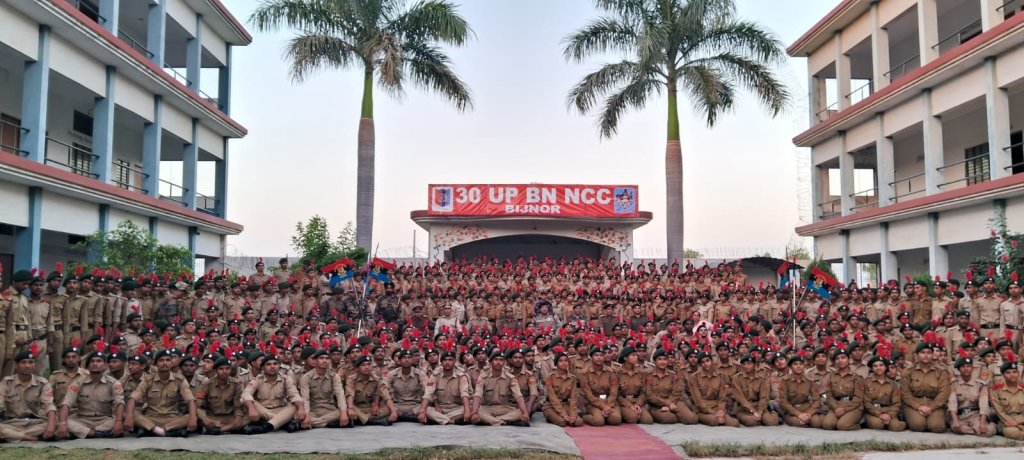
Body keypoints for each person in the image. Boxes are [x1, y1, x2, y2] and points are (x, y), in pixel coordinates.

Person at [125, 349, 196, 437]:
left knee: (191, 416)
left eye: (168, 360)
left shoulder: (179, 380)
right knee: (131, 413)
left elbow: (190, 400)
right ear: (155, 364)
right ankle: (165, 431)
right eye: (161, 360)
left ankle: (156, 430)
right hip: (151, 418)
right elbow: (132, 399)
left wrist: (193, 418)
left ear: (171, 363)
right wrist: (129, 417)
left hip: (172, 418)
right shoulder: (148, 379)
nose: (165, 363)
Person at [58, 351, 125, 439]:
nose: (95, 364)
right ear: (87, 366)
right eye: (92, 361)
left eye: (99, 361)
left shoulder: (113, 383)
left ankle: (83, 433)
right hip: (82, 420)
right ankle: (95, 433)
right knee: (61, 422)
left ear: (105, 366)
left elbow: (119, 403)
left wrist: (119, 421)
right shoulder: (78, 383)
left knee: (122, 420)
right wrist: (63, 423)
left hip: (105, 420)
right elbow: (66, 403)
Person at [240, 350, 304, 434]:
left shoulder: (286, 379)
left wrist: (301, 408)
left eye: (275, 364)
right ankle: (282, 422)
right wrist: (251, 408)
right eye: (268, 364)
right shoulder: (257, 380)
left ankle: (267, 426)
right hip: (263, 411)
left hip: (280, 409)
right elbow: (246, 393)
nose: (272, 366)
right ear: (263, 368)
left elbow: (294, 394)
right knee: (251, 402)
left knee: (295, 406)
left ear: (279, 366)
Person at [0, 347, 56, 441]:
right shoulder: (7, 382)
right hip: (13, 423)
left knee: (56, 424)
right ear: (16, 365)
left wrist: (51, 425)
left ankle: (13, 436)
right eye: (23, 362)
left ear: (34, 365)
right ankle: (29, 438)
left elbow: (49, 405)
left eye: (30, 362)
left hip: (36, 423)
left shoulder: (42, 383)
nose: (27, 366)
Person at [471, 351, 530, 426]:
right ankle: (504, 421)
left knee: (520, 412)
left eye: (501, 360)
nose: (498, 362)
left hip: (505, 408)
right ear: (491, 362)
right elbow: (477, 395)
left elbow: (518, 396)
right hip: (488, 408)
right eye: (496, 359)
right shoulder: (483, 376)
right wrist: (474, 413)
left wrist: (525, 413)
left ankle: (494, 421)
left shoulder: (510, 377)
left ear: (504, 362)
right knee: (478, 412)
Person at [902, 342, 950, 433]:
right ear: (917, 355)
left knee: (937, 427)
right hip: (914, 404)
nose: (926, 355)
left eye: (929, 352)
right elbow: (905, 393)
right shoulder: (909, 371)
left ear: (932, 354)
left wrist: (931, 408)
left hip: (934, 404)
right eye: (922, 352)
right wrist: (918, 407)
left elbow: (944, 392)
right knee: (918, 426)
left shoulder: (940, 371)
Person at [298, 350, 349, 429]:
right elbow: (305, 399)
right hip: (313, 410)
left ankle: (314, 423)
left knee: (346, 412)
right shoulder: (306, 377)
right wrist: (307, 415)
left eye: (327, 358)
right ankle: (328, 424)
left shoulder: (334, 376)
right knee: (298, 416)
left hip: (330, 410)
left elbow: (340, 395)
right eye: (321, 358)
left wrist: (343, 412)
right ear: (315, 361)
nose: (324, 361)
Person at [194, 357, 244, 435]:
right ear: (215, 370)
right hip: (212, 417)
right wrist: (204, 418)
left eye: (227, 368)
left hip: (230, 417)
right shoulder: (206, 384)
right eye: (221, 369)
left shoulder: (236, 384)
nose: (224, 371)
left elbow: (238, 406)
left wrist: (238, 418)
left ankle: (219, 430)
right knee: (193, 416)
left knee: (250, 415)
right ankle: (229, 428)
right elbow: (197, 405)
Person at [690, 351, 739, 427]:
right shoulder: (694, 377)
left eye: (707, 361)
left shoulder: (719, 376)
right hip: (701, 409)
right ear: (700, 364)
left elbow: (722, 398)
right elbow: (698, 401)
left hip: (716, 407)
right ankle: (703, 418)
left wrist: (721, 410)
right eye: (703, 362)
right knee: (715, 420)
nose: (706, 364)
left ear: (712, 361)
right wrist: (714, 413)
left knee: (734, 423)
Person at [423, 351, 472, 425]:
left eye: (450, 360)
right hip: (441, 408)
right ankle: (451, 421)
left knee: (469, 408)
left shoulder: (461, 375)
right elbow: (428, 393)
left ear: (455, 361)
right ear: (441, 362)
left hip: (457, 408)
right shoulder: (435, 375)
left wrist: (467, 411)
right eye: (445, 360)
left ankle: (439, 419)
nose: (447, 362)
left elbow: (464, 393)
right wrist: (422, 410)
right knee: (425, 409)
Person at [346, 354, 397, 426]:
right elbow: (350, 394)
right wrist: (351, 409)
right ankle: (372, 421)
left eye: (369, 364)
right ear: (357, 368)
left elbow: (386, 396)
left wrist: (393, 411)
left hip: (370, 408)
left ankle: (360, 420)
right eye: (363, 365)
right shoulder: (351, 379)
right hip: (356, 407)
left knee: (389, 408)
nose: (366, 367)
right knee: (347, 407)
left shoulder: (377, 380)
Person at [948, 354, 992, 437]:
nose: (966, 369)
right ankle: (974, 430)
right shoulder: (953, 384)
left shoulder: (980, 384)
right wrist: (955, 421)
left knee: (985, 432)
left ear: (972, 368)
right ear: (958, 369)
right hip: (960, 416)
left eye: (968, 366)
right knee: (958, 429)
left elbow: (984, 404)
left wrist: (982, 422)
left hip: (975, 415)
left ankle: (990, 426)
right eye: (963, 367)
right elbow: (952, 403)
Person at [731, 353, 779, 427]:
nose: (746, 366)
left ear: (754, 364)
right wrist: (752, 411)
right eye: (744, 364)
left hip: (758, 406)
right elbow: (741, 398)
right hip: (743, 408)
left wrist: (760, 412)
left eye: (749, 363)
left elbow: (764, 397)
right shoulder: (737, 378)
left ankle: (773, 413)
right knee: (752, 422)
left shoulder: (761, 378)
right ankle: (756, 419)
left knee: (771, 422)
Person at [821, 348, 863, 431]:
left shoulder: (856, 377)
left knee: (842, 426)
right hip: (837, 405)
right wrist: (836, 408)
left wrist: (845, 409)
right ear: (834, 362)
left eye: (843, 358)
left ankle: (858, 425)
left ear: (849, 359)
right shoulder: (831, 376)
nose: (840, 360)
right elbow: (828, 395)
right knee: (827, 425)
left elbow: (858, 398)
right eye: (837, 359)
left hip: (853, 406)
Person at [862, 356, 906, 431]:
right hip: (873, 412)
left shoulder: (893, 384)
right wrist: (879, 414)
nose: (878, 368)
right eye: (875, 366)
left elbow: (896, 403)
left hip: (888, 411)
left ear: (886, 367)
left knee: (896, 427)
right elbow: (866, 402)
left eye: (881, 365)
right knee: (878, 425)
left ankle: (904, 423)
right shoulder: (866, 382)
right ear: (872, 368)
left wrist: (890, 415)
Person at [579, 347, 620, 426]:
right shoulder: (585, 373)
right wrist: (603, 407)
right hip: (593, 402)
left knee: (616, 419)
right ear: (591, 357)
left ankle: (604, 415)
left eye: (601, 355)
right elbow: (589, 396)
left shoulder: (611, 372)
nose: (599, 357)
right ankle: (584, 417)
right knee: (599, 421)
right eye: (596, 355)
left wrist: (608, 406)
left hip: (609, 401)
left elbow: (614, 392)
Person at [387, 349, 431, 423]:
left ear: (413, 360)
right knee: (381, 410)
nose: (407, 360)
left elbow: (428, 392)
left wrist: (422, 410)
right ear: (399, 360)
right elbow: (385, 392)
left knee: (430, 410)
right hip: (396, 405)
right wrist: (393, 410)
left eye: (409, 357)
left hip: (415, 406)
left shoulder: (420, 374)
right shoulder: (392, 374)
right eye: (404, 357)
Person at [779, 356, 823, 428]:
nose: (798, 366)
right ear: (790, 367)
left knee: (817, 423)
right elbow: (783, 401)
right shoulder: (784, 381)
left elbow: (817, 399)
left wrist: (809, 413)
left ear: (804, 366)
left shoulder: (809, 381)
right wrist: (798, 414)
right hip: (791, 411)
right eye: (795, 364)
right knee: (800, 423)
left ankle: (810, 418)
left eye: (801, 364)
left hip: (806, 408)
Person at [542, 352, 582, 427]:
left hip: (565, 404)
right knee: (562, 422)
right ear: (556, 363)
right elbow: (553, 398)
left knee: (578, 422)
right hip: (551, 406)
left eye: (566, 361)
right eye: (560, 361)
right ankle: (550, 416)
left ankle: (564, 416)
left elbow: (573, 398)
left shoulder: (572, 378)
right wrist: (563, 414)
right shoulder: (550, 377)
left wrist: (573, 414)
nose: (564, 363)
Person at [991, 360, 1023, 440]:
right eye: (1008, 373)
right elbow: (999, 411)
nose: (1012, 375)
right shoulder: (996, 390)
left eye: (1014, 372)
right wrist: (1010, 421)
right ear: (1003, 375)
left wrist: (1017, 421)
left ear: (1018, 373)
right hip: (1005, 421)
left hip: (1022, 419)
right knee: (1012, 432)